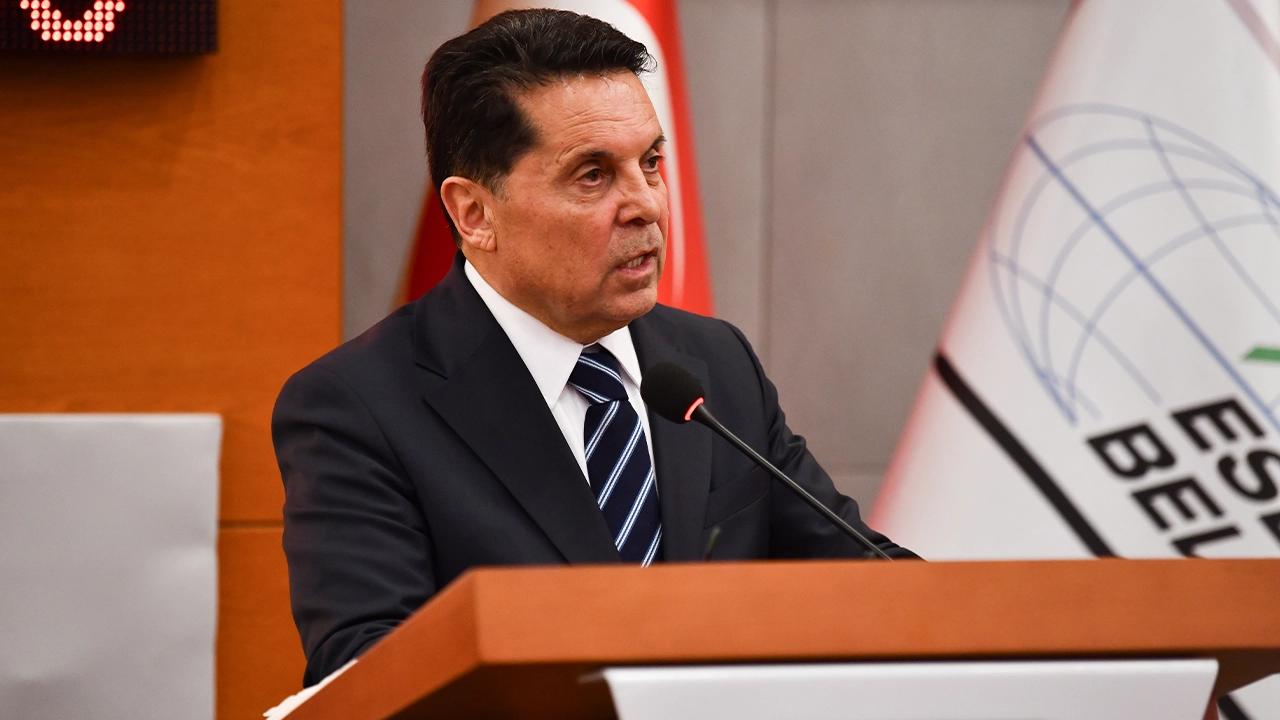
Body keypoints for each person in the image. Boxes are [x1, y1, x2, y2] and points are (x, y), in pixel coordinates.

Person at [273, 8, 916, 687]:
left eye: (651, 163)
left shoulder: (714, 363)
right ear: (474, 213)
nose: (647, 205)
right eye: (593, 175)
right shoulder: (358, 406)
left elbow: (864, 578)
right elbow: (369, 671)